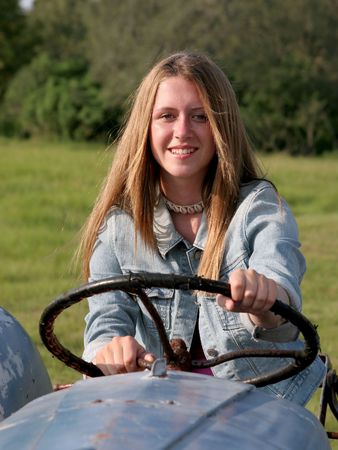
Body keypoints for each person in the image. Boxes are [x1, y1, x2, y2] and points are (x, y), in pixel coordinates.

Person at [80, 51, 325, 404]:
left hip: (256, 404)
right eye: (167, 116)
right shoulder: (121, 226)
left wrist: (264, 297)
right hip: (158, 405)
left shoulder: (258, 208)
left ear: (221, 127)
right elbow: (104, 326)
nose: (182, 132)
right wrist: (110, 350)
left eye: (200, 117)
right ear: (146, 128)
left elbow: (282, 302)